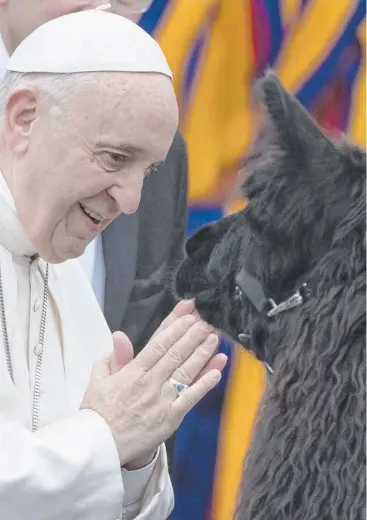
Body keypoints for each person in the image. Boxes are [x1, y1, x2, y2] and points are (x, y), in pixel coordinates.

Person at [0, 10, 227, 520]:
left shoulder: (63, 270)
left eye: (147, 169)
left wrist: (134, 454)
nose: (131, 201)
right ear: (23, 119)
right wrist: (106, 436)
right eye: (114, 159)